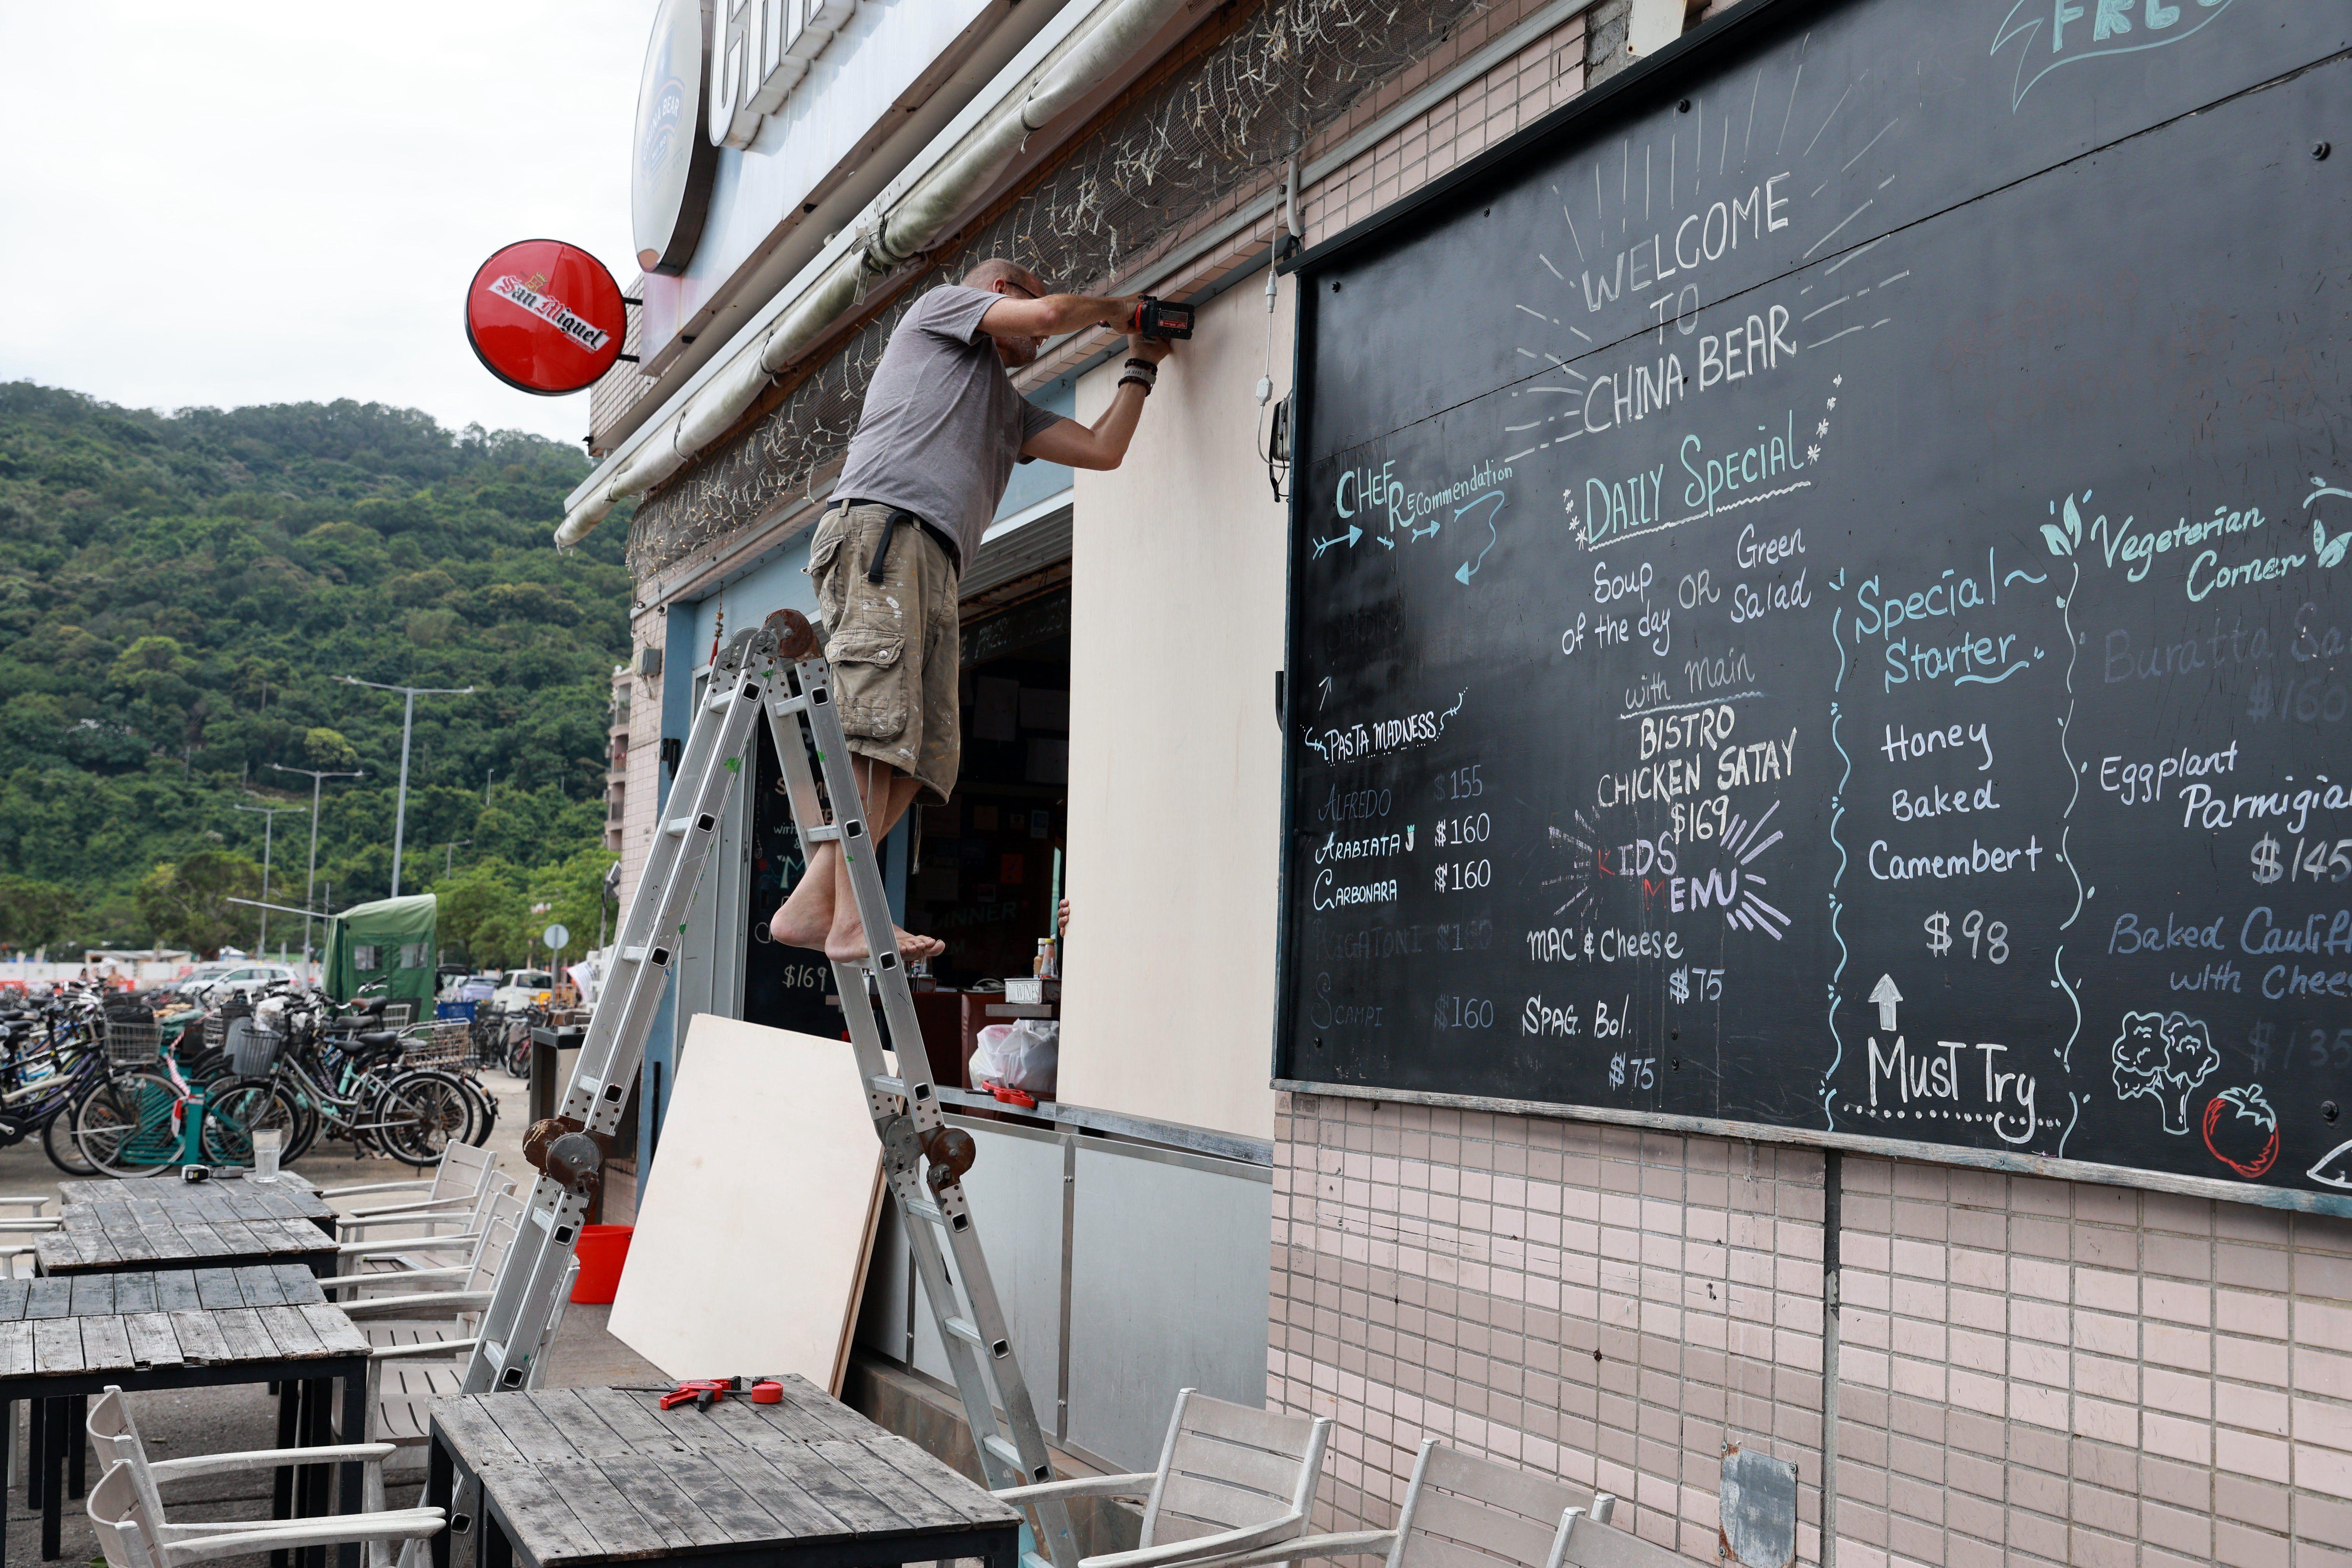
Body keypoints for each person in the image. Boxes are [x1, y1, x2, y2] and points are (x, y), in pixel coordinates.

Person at [770, 259, 1175, 962]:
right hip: (884, 532)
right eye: (1033, 305)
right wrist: (1122, 312)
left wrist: (1141, 363)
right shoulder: (939, 312)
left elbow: (1103, 451)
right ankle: (852, 920)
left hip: (932, 559)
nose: (1042, 337)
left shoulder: (1008, 410)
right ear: (999, 295)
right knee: (880, 725)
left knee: (925, 753)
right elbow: (1050, 317)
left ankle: (814, 905)